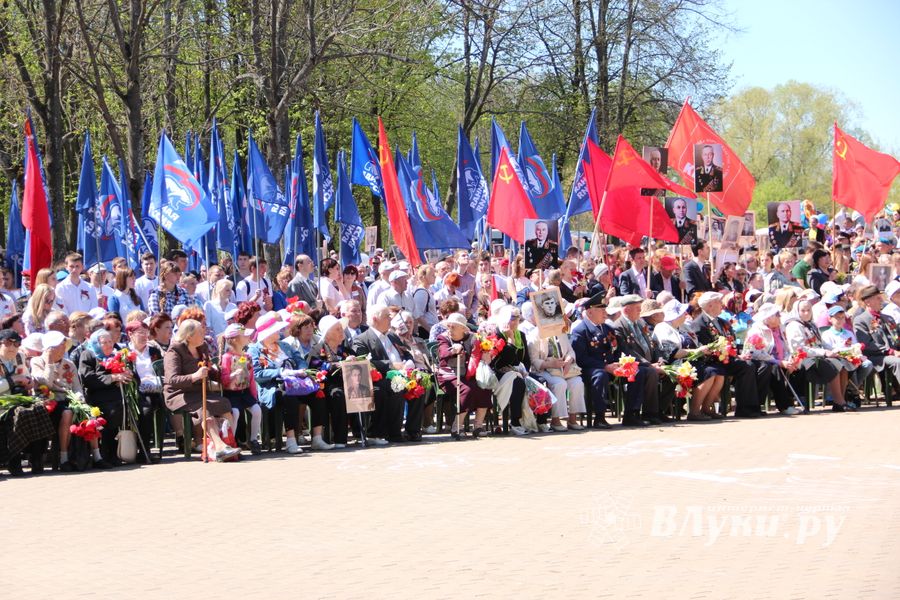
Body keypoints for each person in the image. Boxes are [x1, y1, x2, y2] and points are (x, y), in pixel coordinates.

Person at [163, 319, 240, 461]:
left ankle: (229, 442)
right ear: (189, 336)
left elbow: (209, 371)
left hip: (199, 391)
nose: (204, 333)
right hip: (179, 394)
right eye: (200, 331)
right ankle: (219, 447)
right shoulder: (174, 351)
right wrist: (194, 376)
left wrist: (222, 374)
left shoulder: (202, 346)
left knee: (224, 403)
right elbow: (171, 379)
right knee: (205, 409)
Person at [350, 305, 419, 444]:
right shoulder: (362, 339)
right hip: (381, 377)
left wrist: (409, 363)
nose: (390, 318)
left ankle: (413, 431)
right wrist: (392, 365)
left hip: (403, 373)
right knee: (396, 386)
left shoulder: (392, 336)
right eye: (387, 316)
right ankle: (392, 432)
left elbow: (406, 352)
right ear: (376, 319)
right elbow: (365, 362)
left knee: (421, 384)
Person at [248, 313, 314, 454]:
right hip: (272, 387)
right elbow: (258, 375)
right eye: (276, 330)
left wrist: (301, 369)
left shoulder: (284, 345)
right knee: (287, 396)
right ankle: (291, 440)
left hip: (295, 383)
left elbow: (299, 359)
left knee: (319, 394)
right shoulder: (255, 350)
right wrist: (281, 372)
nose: (279, 332)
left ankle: (319, 437)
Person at [692, 292, 764, 418]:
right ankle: (704, 409)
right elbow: (703, 348)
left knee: (751, 365)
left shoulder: (723, 322)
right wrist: (725, 353)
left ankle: (748, 408)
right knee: (720, 370)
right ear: (710, 305)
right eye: (719, 302)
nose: (722, 305)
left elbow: (732, 342)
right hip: (711, 360)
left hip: (727, 359)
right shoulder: (699, 324)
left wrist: (737, 355)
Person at [782, 298, 853, 412]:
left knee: (842, 362)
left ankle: (840, 400)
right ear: (797, 311)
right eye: (803, 310)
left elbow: (820, 343)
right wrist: (824, 352)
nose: (806, 313)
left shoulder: (811, 324)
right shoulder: (794, 325)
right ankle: (839, 402)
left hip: (817, 356)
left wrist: (834, 351)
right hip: (802, 359)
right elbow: (800, 349)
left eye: (808, 310)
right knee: (833, 365)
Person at [78, 329, 131, 464]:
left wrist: (128, 374)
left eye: (110, 341)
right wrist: (113, 377)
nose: (108, 345)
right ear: (96, 343)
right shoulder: (88, 355)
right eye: (104, 342)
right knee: (112, 412)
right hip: (96, 397)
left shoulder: (116, 355)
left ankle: (132, 451)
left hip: (117, 397)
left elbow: (131, 375)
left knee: (140, 409)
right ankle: (106, 453)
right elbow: (88, 378)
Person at [436, 313, 492, 439]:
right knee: (467, 389)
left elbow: (480, 353)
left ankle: (478, 425)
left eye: (453, 327)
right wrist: (453, 350)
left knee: (484, 386)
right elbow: (443, 353)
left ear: (463, 328)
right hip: (449, 374)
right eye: (448, 326)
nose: (450, 330)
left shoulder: (473, 338)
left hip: (469, 373)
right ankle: (457, 426)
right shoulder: (443, 338)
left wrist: (486, 354)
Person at [570, 293, 619, 428]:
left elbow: (615, 349)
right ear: (590, 312)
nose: (605, 313)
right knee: (599, 375)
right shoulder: (580, 331)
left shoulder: (608, 328)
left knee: (638, 372)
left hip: (610, 367)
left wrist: (621, 363)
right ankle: (599, 417)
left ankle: (634, 413)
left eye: (605, 309)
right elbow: (581, 358)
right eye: (601, 310)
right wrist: (605, 366)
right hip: (589, 369)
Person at [218, 323, 262, 455]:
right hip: (231, 393)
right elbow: (224, 379)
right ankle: (232, 442)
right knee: (235, 412)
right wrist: (233, 375)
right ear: (235, 339)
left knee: (256, 410)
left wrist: (254, 396)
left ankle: (253, 439)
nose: (248, 336)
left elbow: (252, 379)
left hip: (245, 392)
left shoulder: (246, 356)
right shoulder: (227, 357)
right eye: (244, 335)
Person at [308, 315, 351, 448]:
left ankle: (366, 432)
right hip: (327, 384)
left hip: (347, 382)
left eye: (341, 328)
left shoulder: (344, 349)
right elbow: (316, 365)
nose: (341, 331)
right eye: (337, 329)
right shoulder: (318, 349)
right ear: (328, 334)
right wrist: (338, 364)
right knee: (338, 395)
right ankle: (340, 439)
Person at [853, 285, 900, 401]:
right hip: (876, 356)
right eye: (878, 298)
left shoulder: (888, 318)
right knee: (898, 362)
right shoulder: (861, 320)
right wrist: (891, 351)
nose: (882, 301)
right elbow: (866, 345)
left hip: (893, 353)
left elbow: (897, 337)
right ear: (868, 301)